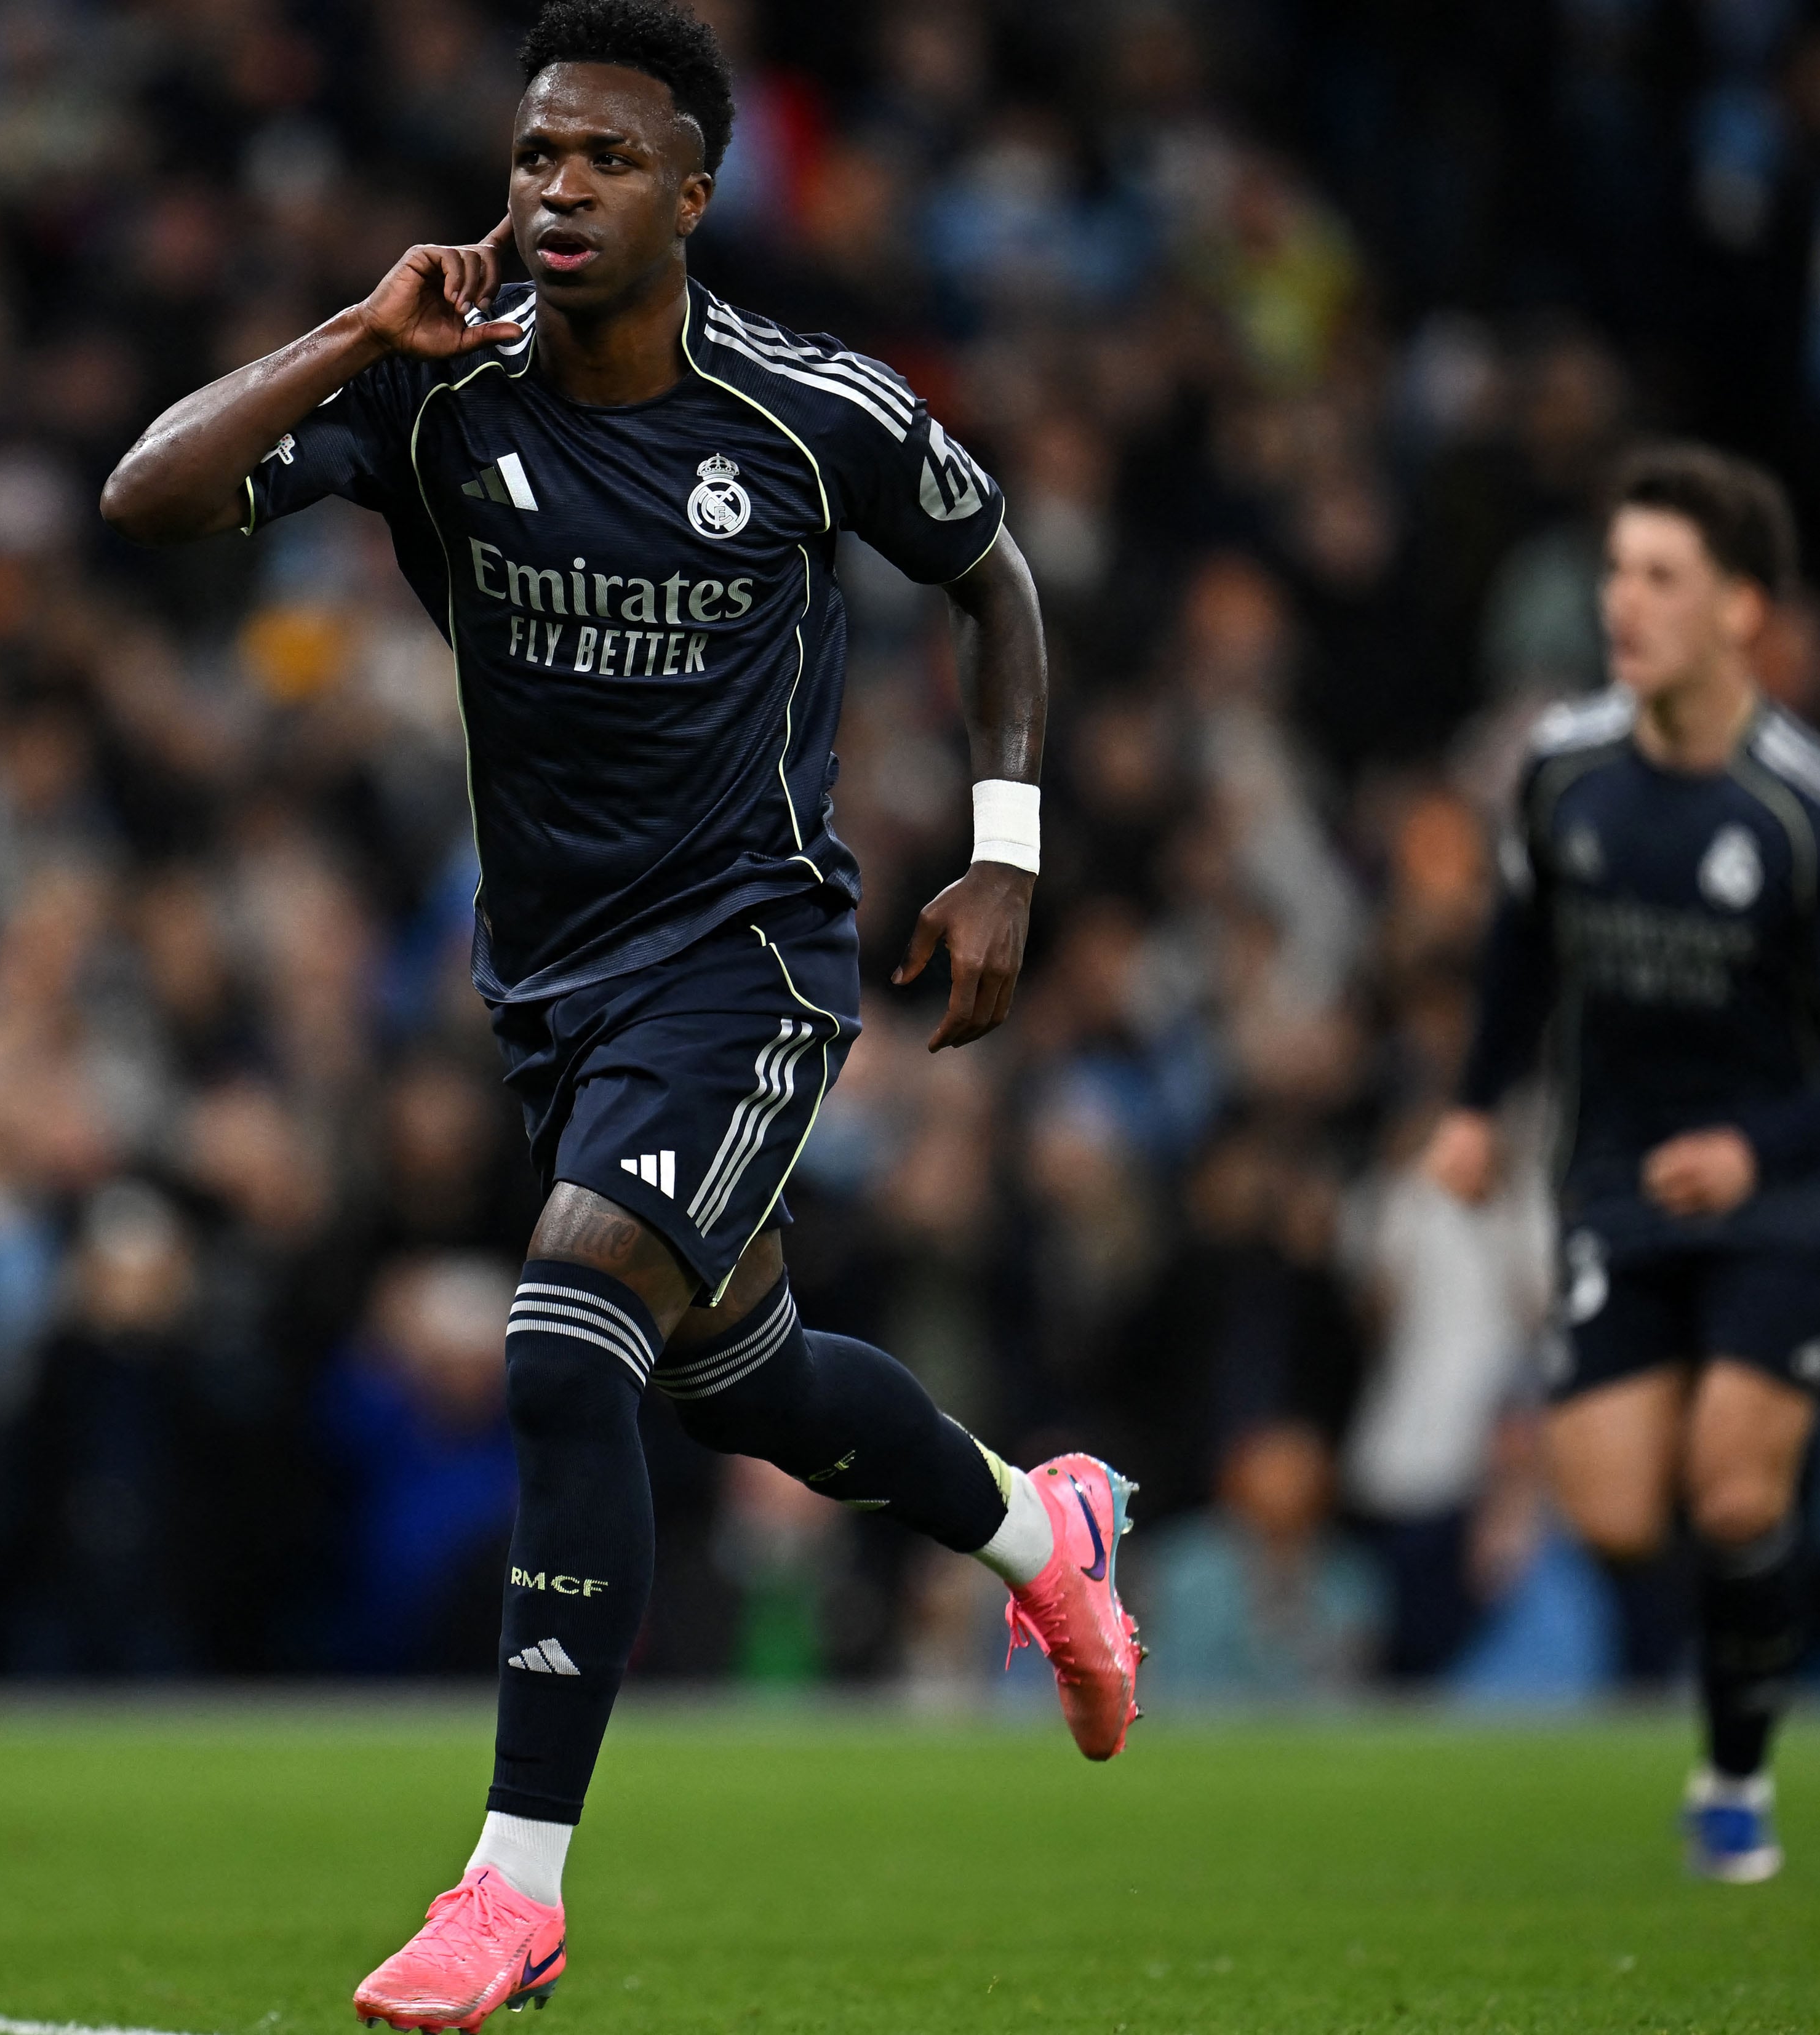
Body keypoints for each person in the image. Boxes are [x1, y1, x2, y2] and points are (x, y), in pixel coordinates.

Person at [102, 3, 1139, 2023]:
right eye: (533, 156)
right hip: (555, 991)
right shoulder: (435, 401)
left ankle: (514, 1883)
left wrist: (1004, 847)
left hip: (750, 959)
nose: (554, 189)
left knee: (568, 1333)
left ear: (693, 191)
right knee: (733, 1372)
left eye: (599, 159)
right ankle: (1042, 1522)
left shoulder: (802, 408)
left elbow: (993, 569)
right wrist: (344, 333)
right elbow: (143, 497)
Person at [1424, 443, 1820, 1882]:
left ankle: (1735, 1782)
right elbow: (1522, 953)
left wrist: (1751, 1147)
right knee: (1616, 1511)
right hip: (1618, 1188)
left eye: (1661, 577)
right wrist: (1472, 1106)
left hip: (1779, 1197)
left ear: (1742, 611)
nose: (1622, 604)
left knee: (1733, 1494)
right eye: (1616, 573)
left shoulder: (1817, 813)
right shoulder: (1564, 771)